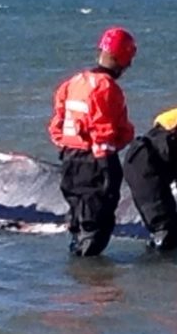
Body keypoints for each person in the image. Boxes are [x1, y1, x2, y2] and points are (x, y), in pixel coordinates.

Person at [47, 26, 137, 256]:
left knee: (78, 219)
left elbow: (58, 125)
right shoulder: (107, 88)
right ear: (121, 58)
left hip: (70, 158)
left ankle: (77, 276)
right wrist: (108, 169)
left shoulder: (74, 82)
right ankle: (93, 285)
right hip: (96, 162)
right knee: (96, 224)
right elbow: (104, 130)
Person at [123, 104, 177, 250]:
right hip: (143, 162)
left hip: (149, 162)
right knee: (165, 228)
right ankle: (158, 268)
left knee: (169, 227)